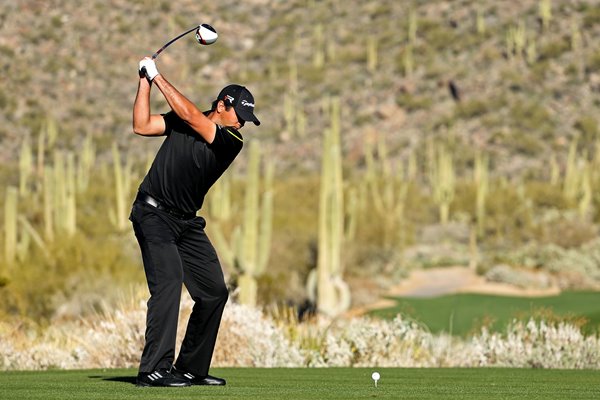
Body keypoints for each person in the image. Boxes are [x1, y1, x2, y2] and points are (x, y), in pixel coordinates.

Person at [130, 57, 260, 387]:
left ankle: (190, 368)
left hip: (186, 224)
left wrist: (157, 75)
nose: (242, 124)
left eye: (246, 120)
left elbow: (190, 115)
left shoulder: (232, 140)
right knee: (169, 281)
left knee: (214, 291)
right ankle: (153, 370)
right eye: (240, 116)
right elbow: (142, 125)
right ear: (222, 104)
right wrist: (144, 81)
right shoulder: (185, 118)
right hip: (153, 214)